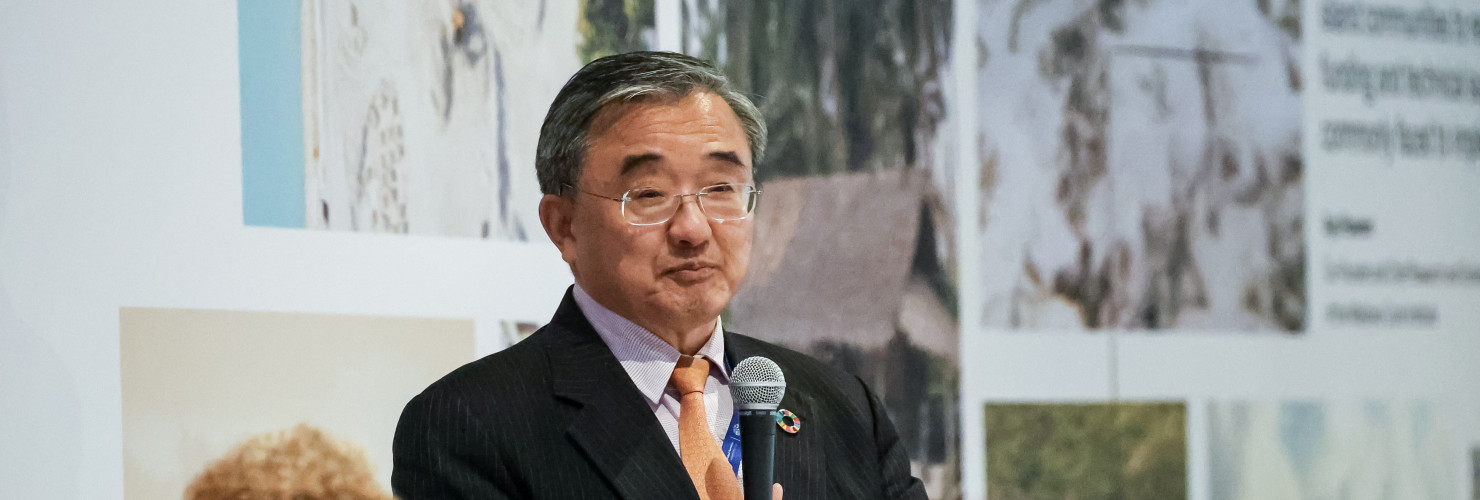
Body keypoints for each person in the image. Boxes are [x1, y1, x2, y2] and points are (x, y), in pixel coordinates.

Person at [392, 51, 925, 500]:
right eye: (648, 194)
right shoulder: (468, 424)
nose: (693, 228)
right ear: (564, 225)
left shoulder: (844, 410)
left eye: (721, 189)